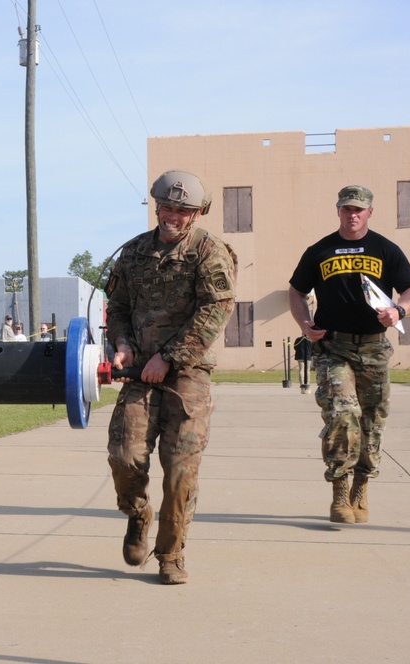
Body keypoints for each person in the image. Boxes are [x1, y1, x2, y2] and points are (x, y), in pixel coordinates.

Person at [105, 169, 237, 584]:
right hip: (139, 374)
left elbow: (216, 311)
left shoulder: (210, 252)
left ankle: (171, 553)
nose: (172, 216)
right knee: (125, 458)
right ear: (156, 205)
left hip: (187, 375)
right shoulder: (133, 253)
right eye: (167, 206)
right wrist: (122, 343)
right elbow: (119, 307)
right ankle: (138, 514)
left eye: (183, 210)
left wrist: (169, 356)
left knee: (180, 472)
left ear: (197, 213)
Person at [289, 184, 410, 525]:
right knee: (342, 416)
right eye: (347, 208)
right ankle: (339, 492)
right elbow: (297, 290)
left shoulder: (386, 250)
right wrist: (305, 323)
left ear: (370, 212)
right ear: (338, 210)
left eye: (359, 209)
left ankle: (361, 487)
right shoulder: (319, 251)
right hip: (333, 347)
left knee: (372, 422)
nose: (353, 214)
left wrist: (400, 312)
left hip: (374, 347)